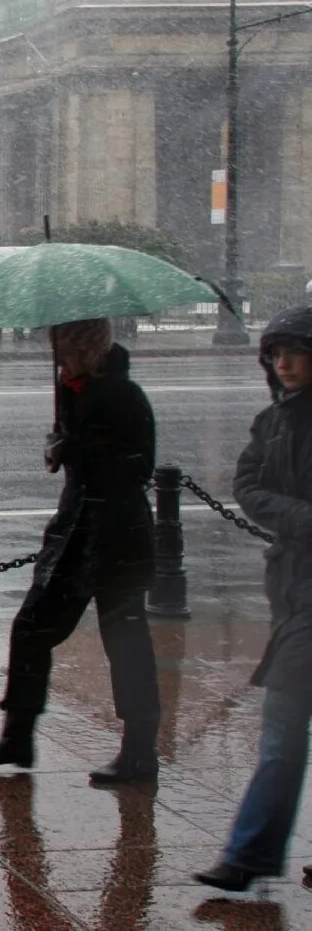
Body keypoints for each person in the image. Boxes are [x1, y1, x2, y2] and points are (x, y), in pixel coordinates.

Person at [0, 318, 160, 784]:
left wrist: (76, 449)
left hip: (116, 537)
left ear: (89, 349)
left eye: (67, 349)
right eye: (57, 349)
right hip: (76, 533)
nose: (59, 358)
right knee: (32, 627)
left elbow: (135, 468)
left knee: (126, 644)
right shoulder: (74, 391)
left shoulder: (122, 396)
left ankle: (139, 751)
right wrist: (61, 448)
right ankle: (18, 734)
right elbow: (79, 460)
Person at [194, 307, 312, 892]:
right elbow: (248, 487)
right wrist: (302, 519)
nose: (283, 364)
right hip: (294, 586)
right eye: (275, 354)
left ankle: (247, 855)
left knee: (283, 730)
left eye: (294, 352)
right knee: (286, 727)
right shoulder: (272, 422)